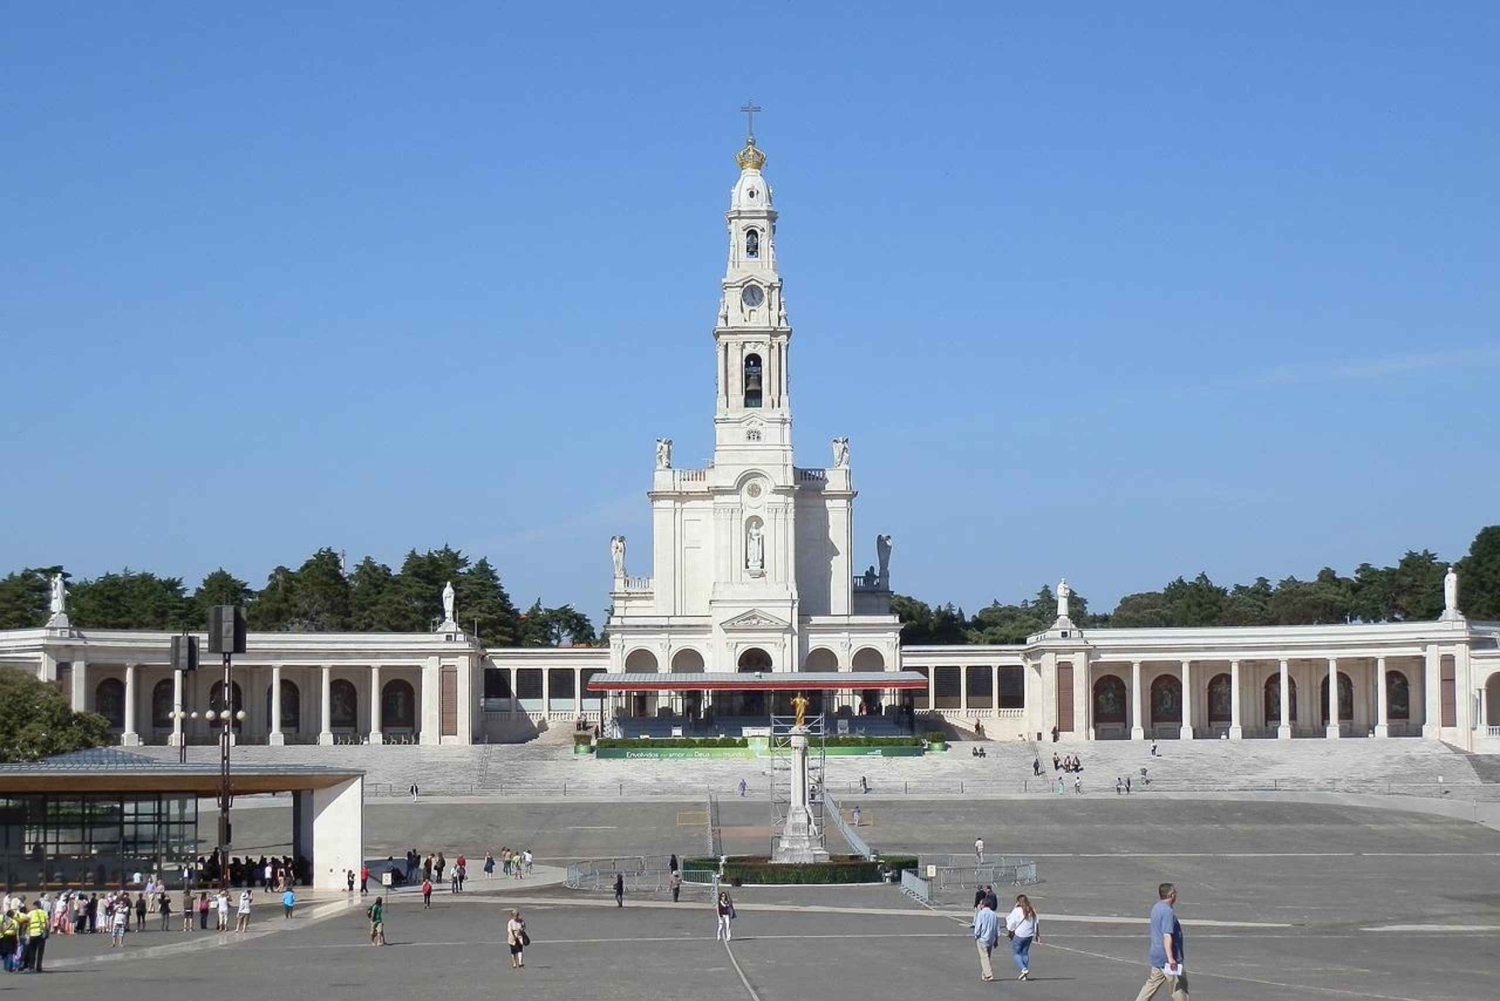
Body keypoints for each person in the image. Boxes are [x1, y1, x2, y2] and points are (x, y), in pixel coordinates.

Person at [1134, 882, 1188, 1001]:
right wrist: (1171, 959)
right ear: (1171, 895)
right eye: (1175, 893)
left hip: (1156, 955)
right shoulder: (1167, 912)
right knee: (1179, 987)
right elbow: (1167, 936)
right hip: (1167, 957)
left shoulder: (1157, 907)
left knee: (1151, 984)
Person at [1006, 893, 1039, 981]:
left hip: (1019, 934)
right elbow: (1036, 922)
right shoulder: (1031, 909)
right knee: (1025, 953)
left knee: (1016, 953)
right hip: (1029, 934)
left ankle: (1023, 969)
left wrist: (1010, 930)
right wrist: (1037, 934)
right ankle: (1024, 974)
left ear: (1018, 902)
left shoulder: (1017, 910)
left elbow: (1011, 921)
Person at [972, 897, 1000, 982]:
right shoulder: (993, 914)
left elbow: (978, 927)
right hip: (991, 938)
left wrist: (976, 935)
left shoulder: (981, 914)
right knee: (987, 956)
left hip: (982, 938)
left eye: (981, 904)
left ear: (983, 904)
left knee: (984, 957)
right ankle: (984, 974)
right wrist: (996, 940)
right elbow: (997, 928)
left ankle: (988, 974)